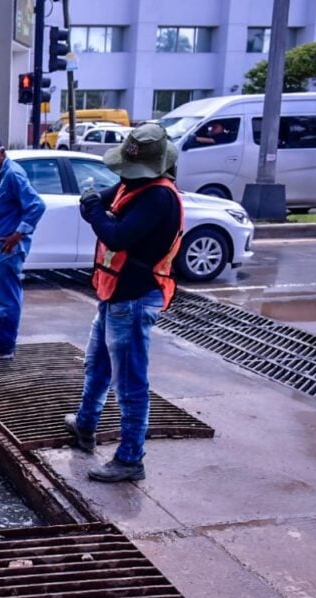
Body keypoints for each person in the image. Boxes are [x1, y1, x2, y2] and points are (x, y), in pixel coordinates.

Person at [65, 123, 184, 482]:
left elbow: (115, 235)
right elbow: (100, 205)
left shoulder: (158, 198)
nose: (125, 176)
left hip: (134, 299)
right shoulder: (135, 185)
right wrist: (95, 208)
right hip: (114, 294)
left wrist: (95, 213)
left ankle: (131, 458)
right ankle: (85, 423)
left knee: (130, 380)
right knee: (97, 364)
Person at [0, 133, 46, 361]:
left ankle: (4, 347)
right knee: (5, 299)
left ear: (1, 152)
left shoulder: (13, 175)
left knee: (8, 302)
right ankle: (2, 343)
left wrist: (17, 235)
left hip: (8, 251)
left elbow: (36, 206)